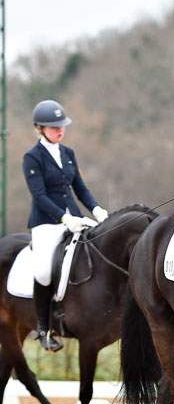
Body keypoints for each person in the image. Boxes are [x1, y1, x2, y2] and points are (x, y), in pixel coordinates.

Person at [22, 99, 109, 352]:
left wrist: (96, 209)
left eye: (62, 126)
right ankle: (43, 328)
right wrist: (63, 218)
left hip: (75, 217)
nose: (60, 130)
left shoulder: (68, 153)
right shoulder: (32, 157)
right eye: (54, 127)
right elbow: (39, 195)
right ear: (40, 128)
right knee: (43, 272)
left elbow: (80, 188)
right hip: (47, 222)